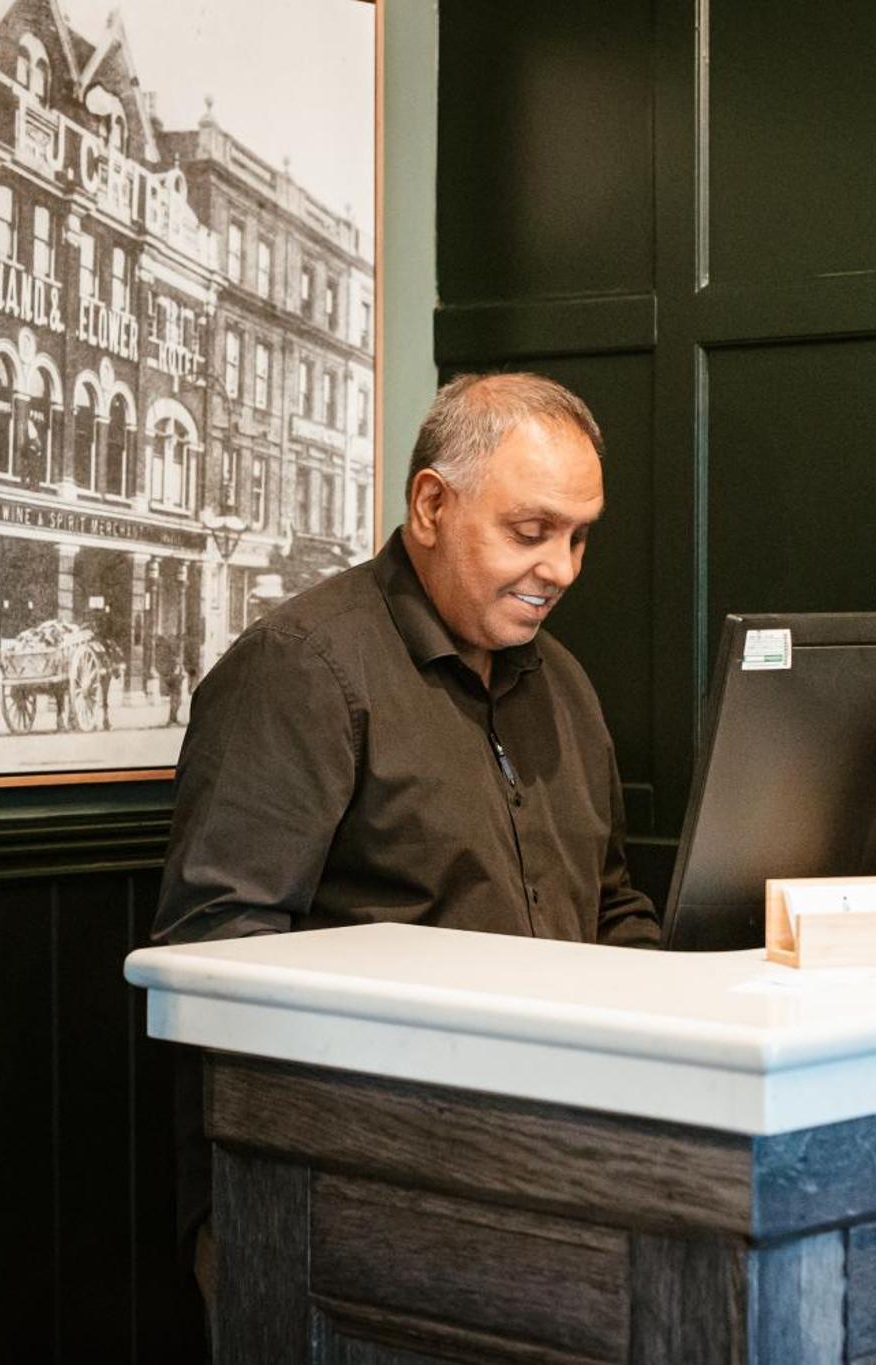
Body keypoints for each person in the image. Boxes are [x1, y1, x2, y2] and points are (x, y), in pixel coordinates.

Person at [152, 372, 660, 1310]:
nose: (564, 568)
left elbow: (612, 903)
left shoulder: (565, 683)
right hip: (343, 1188)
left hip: (553, 1172)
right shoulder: (301, 671)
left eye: (580, 535)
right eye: (531, 530)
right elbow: (215, 954)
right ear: (432, 503)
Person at [152, 630, 184, 725]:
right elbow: (173, 662)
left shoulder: (164, 650)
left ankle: (173, 718)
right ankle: (172, 718)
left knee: (176, 699)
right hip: (173, 676)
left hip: (173, 675)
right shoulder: (169, 653)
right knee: (176, 698)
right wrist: (174, 671)